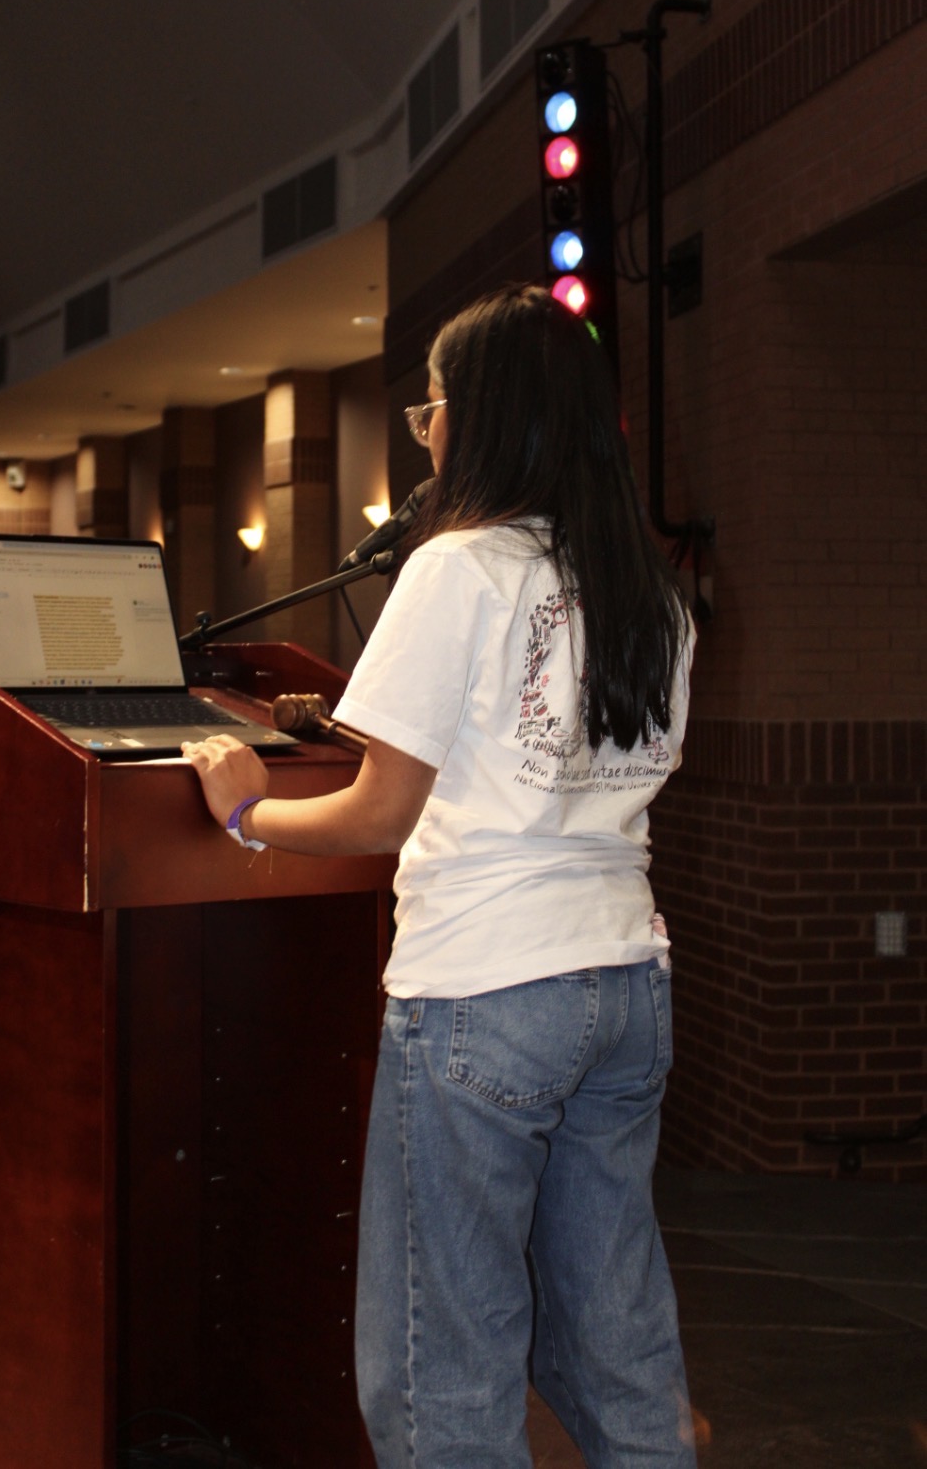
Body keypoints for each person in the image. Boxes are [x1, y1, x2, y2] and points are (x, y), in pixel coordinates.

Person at [181, 286, 697, 1468]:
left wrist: (246, 810)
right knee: (620, 1351)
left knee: (440, 1375)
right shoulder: (652, 588)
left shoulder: (459, 567)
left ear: (481, 416)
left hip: (484, 995)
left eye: (430, 409)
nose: (426, 432)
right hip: (625, 985)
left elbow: (377, 812)